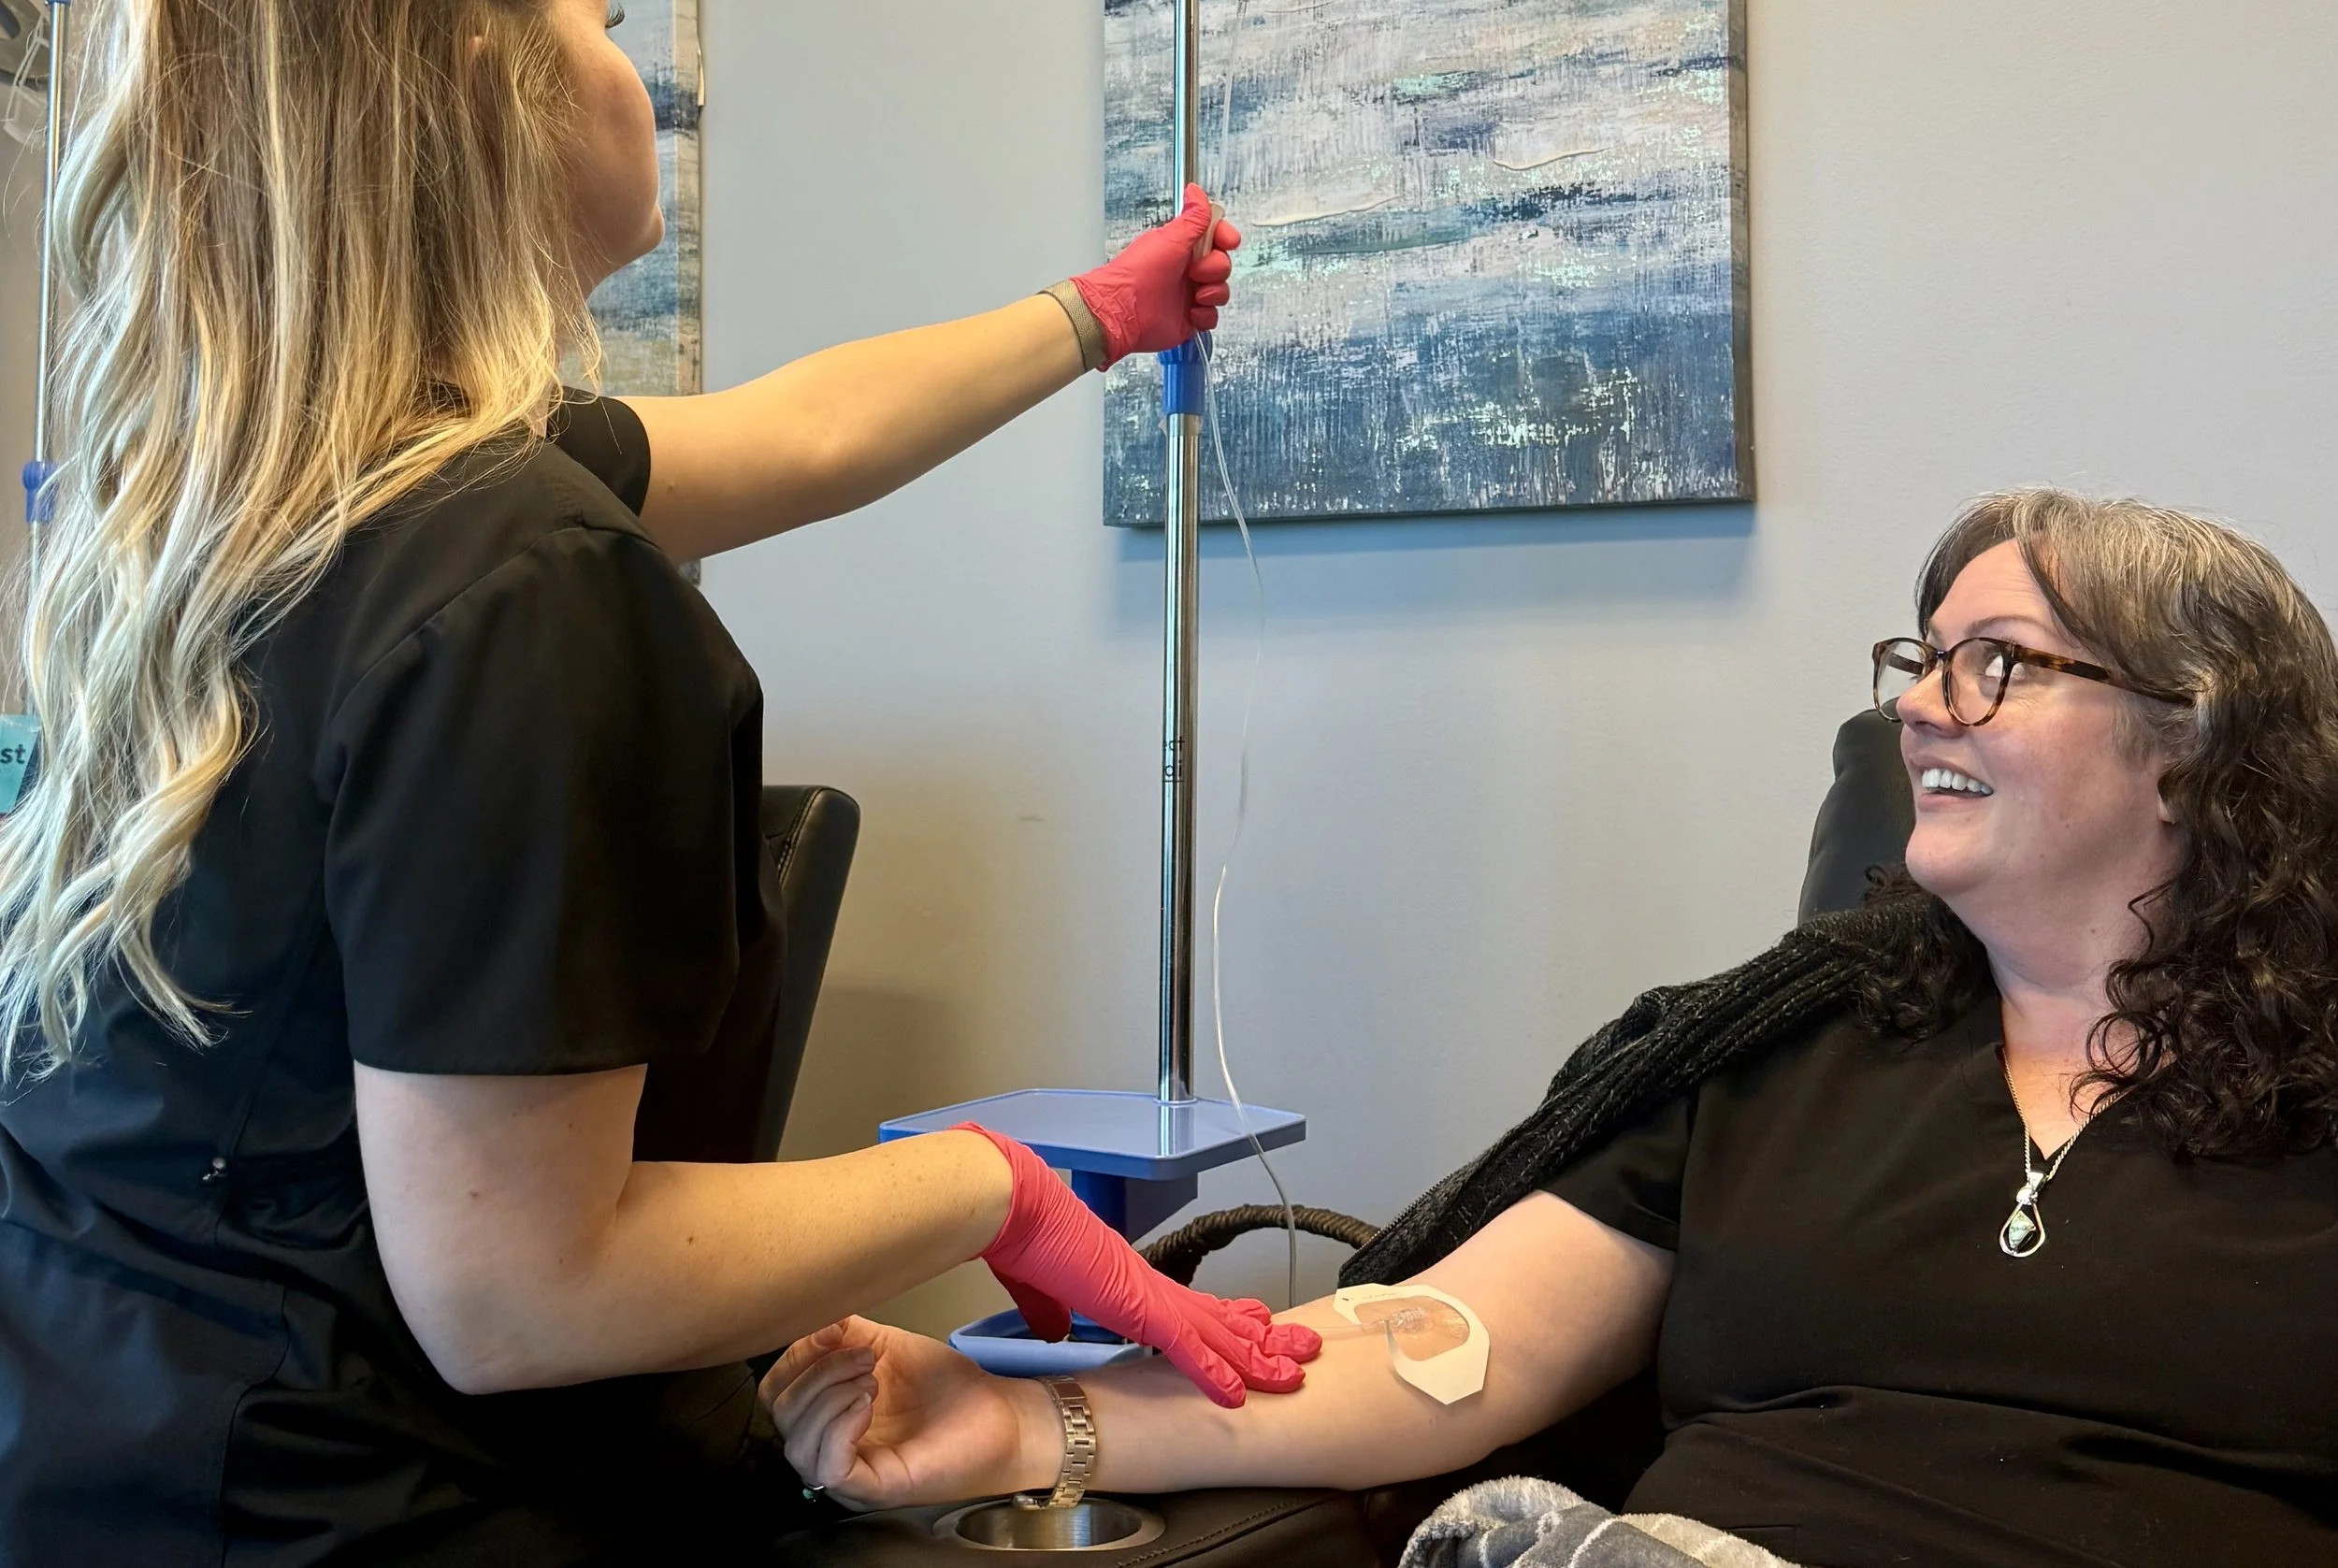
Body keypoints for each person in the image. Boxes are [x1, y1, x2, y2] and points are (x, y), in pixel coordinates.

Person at [0, 0, 1318, 1566]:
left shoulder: (264, 490)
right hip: (333, 1501)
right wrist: (991, 1183)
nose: (644, 81)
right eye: (602, 19)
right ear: (488, 92)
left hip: (94, 1428)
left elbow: (801, 434)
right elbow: (515, 1294)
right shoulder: (513, 571)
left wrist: (1099, 312)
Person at [769, 489, 2338, 1568]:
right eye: (1924, 659)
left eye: (1999, 664)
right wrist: (1019, 1420)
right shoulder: (1780, 1049)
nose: (1927, 703)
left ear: (2196, 742)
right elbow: (1439, 1352)